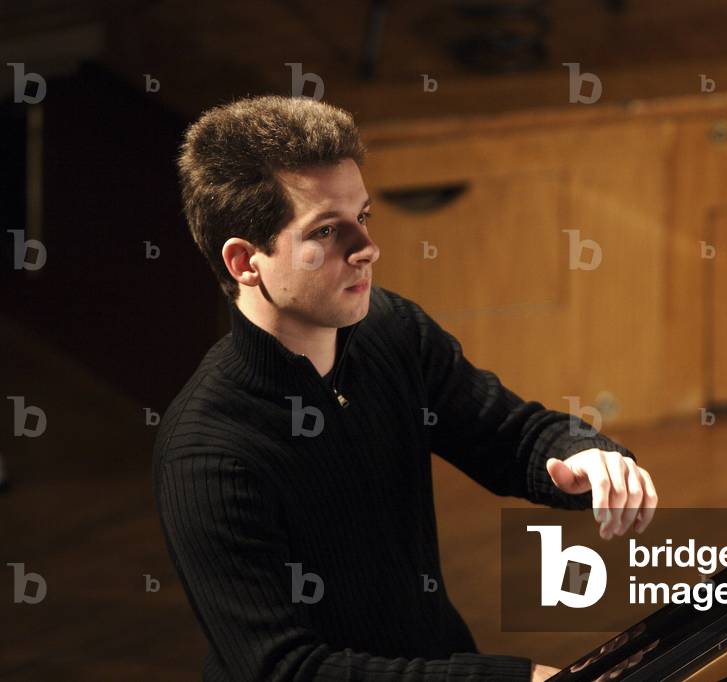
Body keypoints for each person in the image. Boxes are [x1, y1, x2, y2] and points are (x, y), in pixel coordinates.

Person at [153, 95, 658, 682]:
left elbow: (511, 434)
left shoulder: (391, 330)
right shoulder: (206, 457)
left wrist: (582, 456)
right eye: (325, 230)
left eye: (362, 218)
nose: (367, 249)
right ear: (245, 261)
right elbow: (286, 670)